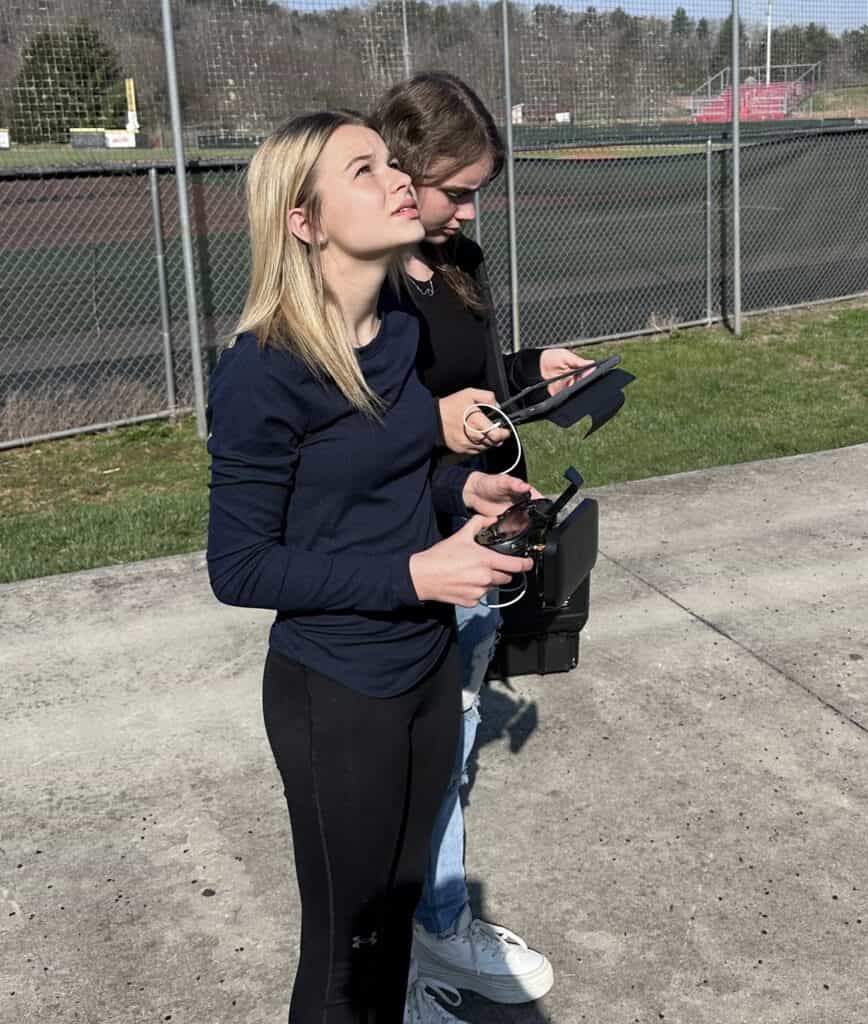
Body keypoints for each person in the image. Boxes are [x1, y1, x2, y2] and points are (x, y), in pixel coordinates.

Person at [205, 110, 537, 1024]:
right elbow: (239, 568)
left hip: (423, 672)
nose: (397, 177)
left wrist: (462, 494)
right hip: (337, 695)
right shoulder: (260, 372)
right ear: (303, 222)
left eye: (391, 161)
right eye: (364, 169)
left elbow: (392, 480)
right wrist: (416, 578)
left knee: (391, 933)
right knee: (343, 957)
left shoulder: (395, 331)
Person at [373, 73, 595, 1022]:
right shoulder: (365, 275)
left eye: (477, 194)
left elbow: (473, 382)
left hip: (480, 527)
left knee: (455, 736)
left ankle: (438, 923)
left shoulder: (459, 262)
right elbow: (362, 423)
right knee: (417, 754)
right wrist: (438, 426)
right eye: (454, 190)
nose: (468, 211)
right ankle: (420, 937)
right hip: (412, 544)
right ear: (402, 168)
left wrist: (529, 370)